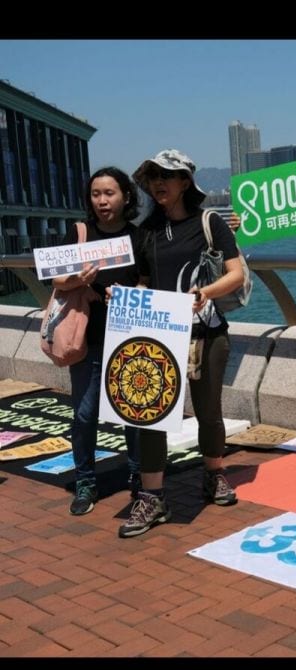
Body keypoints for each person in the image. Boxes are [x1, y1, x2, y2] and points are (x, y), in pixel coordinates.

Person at [118, 149, 244, 538]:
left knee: (209, 410)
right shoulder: (146, 232)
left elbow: (235, 274)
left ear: (185, 182)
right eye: (153, 175)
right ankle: (152, 496)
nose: (159, 182)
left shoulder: (209, 222)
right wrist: (126, 298)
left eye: (167, 176)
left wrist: (205, 292)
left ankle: (214, 474)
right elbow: (143, 280)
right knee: (150, 415)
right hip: (158, 334)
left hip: (206, 331)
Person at [55, 167, 142, 515]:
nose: (102, 201)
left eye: (110, 193)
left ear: (126, 196)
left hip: (129, 338)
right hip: (87, 338)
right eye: (96, 194)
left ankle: (138, 475)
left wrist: (131, 292)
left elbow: (148, 282)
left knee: (134, 413)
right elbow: (56, 280)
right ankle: (86, 481)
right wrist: (77, 279)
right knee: (85, 413)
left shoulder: (138, 237)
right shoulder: (79, 233)